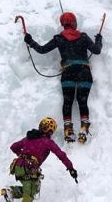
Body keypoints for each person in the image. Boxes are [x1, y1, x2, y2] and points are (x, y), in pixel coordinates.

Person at [24, 12, 103, 143]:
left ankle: (68, 130)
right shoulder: (83, 37)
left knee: (68, 102)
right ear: (74, 23)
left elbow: (42, 50)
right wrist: (99, 39)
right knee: (82, 101)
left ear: (63, 25)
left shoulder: (58, 38)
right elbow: (96, 50)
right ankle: (84, 128)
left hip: (68, 72)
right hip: (84, 72)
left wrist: (30, 41)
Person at [2, 117, 77, 202]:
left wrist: (23, 156)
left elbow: (14, 147)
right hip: (28, 168)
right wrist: (71, 168)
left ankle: (11, 191)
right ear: (50, 131)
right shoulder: (47, 142)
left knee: (33, 189)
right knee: (29, 196)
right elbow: (60, 155)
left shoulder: (29, 137)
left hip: (18, 167)